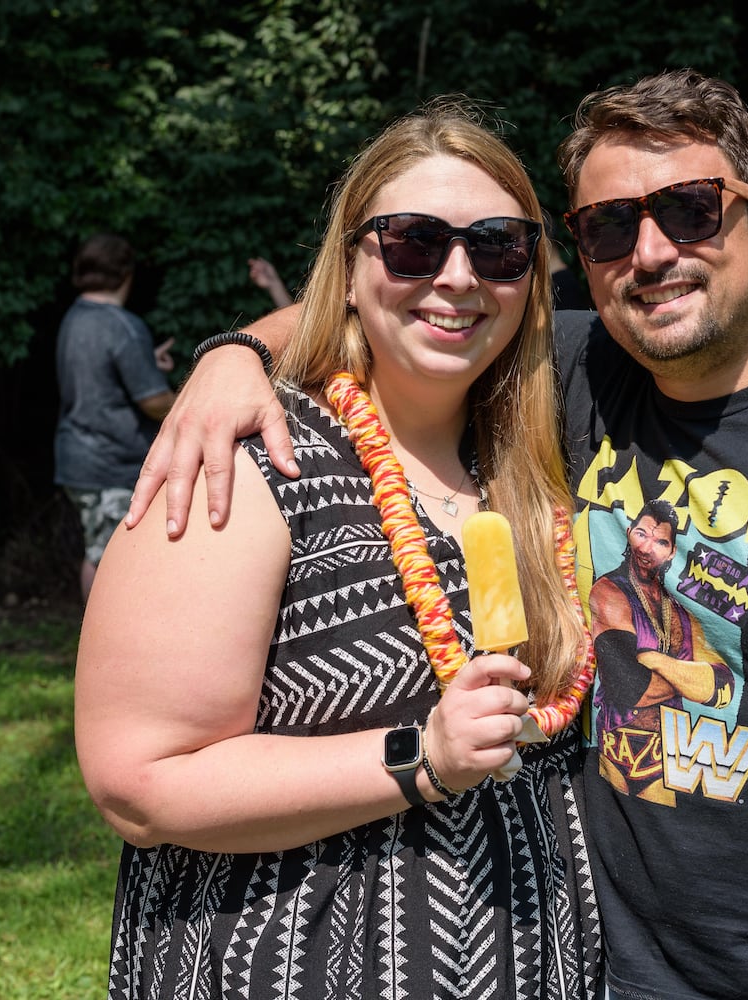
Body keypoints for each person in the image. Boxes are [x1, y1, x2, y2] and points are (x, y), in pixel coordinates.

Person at [125, 70, 748, 1000]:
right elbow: (402, 292)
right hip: (599, 965)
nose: (649, 253)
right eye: (606, 227)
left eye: (687, 211)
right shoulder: (564, 376)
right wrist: (235, 353)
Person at [73, 100, 602, 1000]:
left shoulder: (534, 459)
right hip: (294, 958)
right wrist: (419, 757)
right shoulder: (253, 460)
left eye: (500, 246)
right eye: (411, 242)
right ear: (352, 265)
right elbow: (138, 781)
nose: (458, 276)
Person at [53, 233, 175, 602]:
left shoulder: (74, 318)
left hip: (80, 458)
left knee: (97, 552)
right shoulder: (122, 326)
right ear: (126, 273)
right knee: (111, 558)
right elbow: (153, 402)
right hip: (110, 463)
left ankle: (94, 641)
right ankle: (102, 646)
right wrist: (192, 404)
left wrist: (146, 363)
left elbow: (99, 375)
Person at [589, 500, 732, 804]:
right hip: (617, 749)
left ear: (671, 552)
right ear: (628, 533)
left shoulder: (681, 612)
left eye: (660, 541)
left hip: (668, 755)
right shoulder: (609, 591)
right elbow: (630, 688)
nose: (646, 547)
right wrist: (693, 683)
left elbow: (723, 689)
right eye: (641, 534)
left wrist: (656, 661)